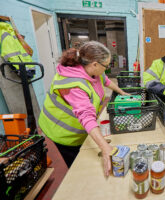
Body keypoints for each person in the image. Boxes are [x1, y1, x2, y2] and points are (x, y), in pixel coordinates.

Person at [38, 41, 129, 176]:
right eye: (106, 65)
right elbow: (86, 115)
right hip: (62, 131)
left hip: (80, 128)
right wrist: (105, 147)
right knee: (79, 167)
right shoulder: (73, 84)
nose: (107, 68)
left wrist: (122, 92)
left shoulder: (93, 70)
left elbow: (106, 80)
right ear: (95, 64)